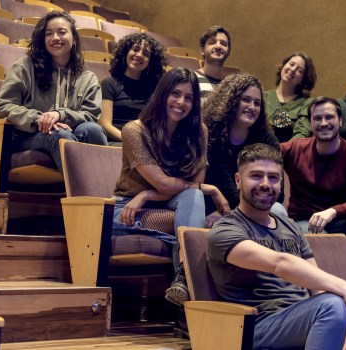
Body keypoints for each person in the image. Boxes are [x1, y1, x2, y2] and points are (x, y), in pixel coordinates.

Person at [207, 143, 346, 349]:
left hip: (310, 317)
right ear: (238, 180)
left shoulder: (289, 227)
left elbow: (315, 283)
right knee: (332, 305)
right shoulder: (225, 231)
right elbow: (279, 263)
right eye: (256, 176)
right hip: (260, 326)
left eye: (273, 178)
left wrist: (342, 325)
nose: (265, 184)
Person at [111, 68, 230, 305]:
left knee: (194, 199)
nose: (181, 102)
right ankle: (193, 293)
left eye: (188, 97)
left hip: (172, 204)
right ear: (162, 94)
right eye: (175, 94)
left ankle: (183, 281)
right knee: (199, 206)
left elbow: (195, 184)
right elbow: (165, 183)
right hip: (132, 208)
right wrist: (211, 189)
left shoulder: (199, 132)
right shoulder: (134, 131)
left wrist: (147, 193)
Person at [0, 11, 107, 172]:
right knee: (59, 134)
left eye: (62, 32)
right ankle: (84, 193)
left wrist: (60, 114)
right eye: (49, 34)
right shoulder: (24, 67)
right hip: (27, 136)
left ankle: (110, 190)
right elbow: (5, 106)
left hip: (70, 131)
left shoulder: (87, 77)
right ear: (43, 39)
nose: (55, 38)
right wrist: (40, 118)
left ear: (74, 38)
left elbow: (91, 114)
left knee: (93, 130)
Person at [281, 97, 346, 236]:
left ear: (340, 120)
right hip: (305, 220)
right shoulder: (296, 148)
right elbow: (265, 153)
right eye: (317, 118)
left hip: (340, 219)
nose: (324, 123)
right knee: (321, 237)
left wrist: (333, 212)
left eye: (329, 117)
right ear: (310, 123)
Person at [203, 73, 283, 228]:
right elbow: (221, 181)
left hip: (257, 204)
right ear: (230, 101)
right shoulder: (211, 135)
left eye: (257, 103)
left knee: (278, 210)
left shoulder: (266, 139)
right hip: (218, 205)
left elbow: (278, 189)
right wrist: (225, 211)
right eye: (246, 100)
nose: (252, 107)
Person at [99, 32, 166, 145]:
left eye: (145, 53)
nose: (139, 55)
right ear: (126, 53)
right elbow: (104, 124)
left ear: (150, 62)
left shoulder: (154, 89)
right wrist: (132, 141)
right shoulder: (109, 84)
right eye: (135, 49)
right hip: (117, 141)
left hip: (144, 143)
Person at [265, 52, 317, 142]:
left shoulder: (307, 103)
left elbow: (302, 133)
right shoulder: (263, 96)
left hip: (288, 153)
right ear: (283, 66)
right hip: (258, 152)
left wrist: (282, 151)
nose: (292, 69)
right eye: (291, 64)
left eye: (299, 70)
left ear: (303, 79)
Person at [195, 25, 231, 103]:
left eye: (223, 43)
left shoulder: (230, 87)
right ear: (202, 50)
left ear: (228, 53)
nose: (218, 46)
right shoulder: (191, 79)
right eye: (212, 42)